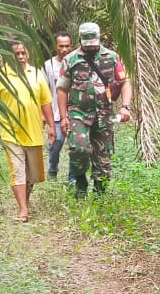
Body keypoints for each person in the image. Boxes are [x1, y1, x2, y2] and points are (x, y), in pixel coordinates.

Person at [55, 21, 131, 197]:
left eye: (93, 43)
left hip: (104, 114)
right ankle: (80, 180)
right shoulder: (71, 59)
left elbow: (125, 82)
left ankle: (99, 196)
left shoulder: (112, 57)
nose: (90, 47)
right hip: (78, 113)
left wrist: (126, 106)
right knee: (78, 149)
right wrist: (64, 117)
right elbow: (62, 89)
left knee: (103, 159)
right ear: (80, 40)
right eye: (87, 44)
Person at [0, 40, 52, 221]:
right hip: (10, 133)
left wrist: (52, 127)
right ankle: (23, 209)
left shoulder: (37, 75)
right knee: (18, 172)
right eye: (17, 54)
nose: (21, 57)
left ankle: (26, 200)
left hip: (34, 132)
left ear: (28, 54)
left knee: (32, 175)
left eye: (24, 53)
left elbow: (46, 102)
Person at [42, 31, 71, 180]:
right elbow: (42, 91)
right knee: (55, 143)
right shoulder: (48, 65)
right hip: (56, 113)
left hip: (75, 113)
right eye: (61, 46)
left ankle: (73, 178)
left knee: (76, 148)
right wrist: (43, 114)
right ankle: (52, 170)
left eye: (67, 46)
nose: (64, 49)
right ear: (56, 46)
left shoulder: (76, 63)